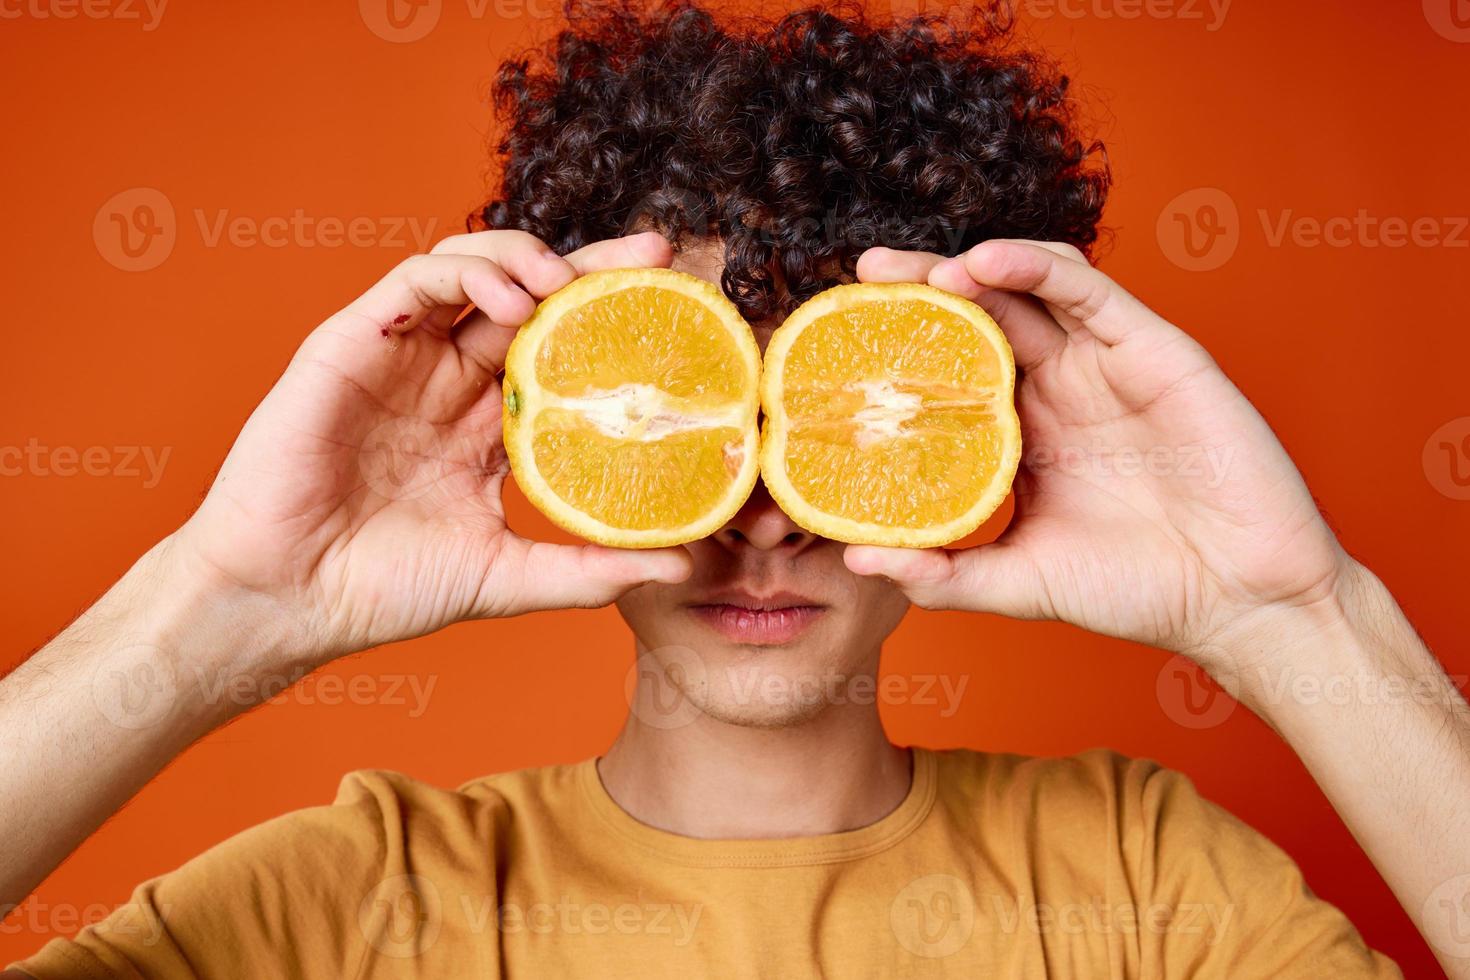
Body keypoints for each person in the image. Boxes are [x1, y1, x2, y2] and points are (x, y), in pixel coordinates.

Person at [3, 3, 1466, 977]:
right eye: (683, 406)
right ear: (549, 421)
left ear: (980, 428)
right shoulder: (353, 902)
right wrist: (218, 606)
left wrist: (1293, 613)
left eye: (834, 412)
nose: (759, 514)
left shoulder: (1145, 887)